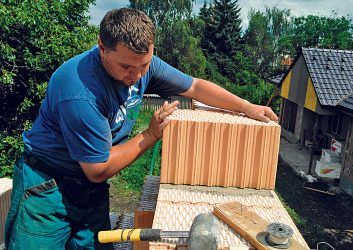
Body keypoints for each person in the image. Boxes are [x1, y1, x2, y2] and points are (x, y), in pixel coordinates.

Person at [4, 8, 278, 250]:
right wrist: (149, 135)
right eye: (126, 66)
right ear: (102, 47)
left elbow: (194, 87)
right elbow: (98, 169)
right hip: (46, 189)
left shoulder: (143, 65)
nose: (135, 75)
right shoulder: (80, 92)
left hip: (87, 189)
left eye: (143, 65)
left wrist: (245, 106)